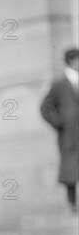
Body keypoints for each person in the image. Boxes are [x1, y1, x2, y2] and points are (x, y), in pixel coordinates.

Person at [40, 48, 79, 212]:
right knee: (70, 167)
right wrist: (60, 123)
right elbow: (45, 107)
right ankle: (72, 202)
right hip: (70, 133)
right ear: (71, 61)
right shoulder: (59, 84)